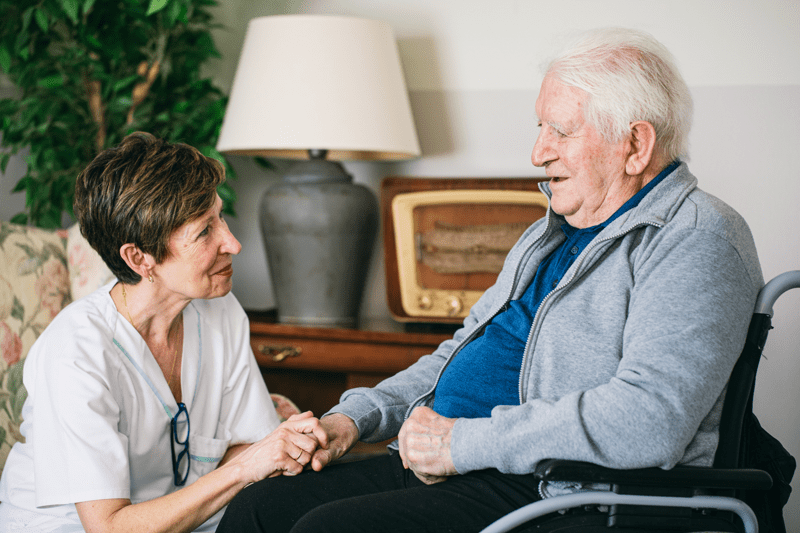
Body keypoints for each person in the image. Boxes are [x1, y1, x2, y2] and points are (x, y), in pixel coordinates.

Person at [217, 27, 764, 533]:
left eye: (561, 131)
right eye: (539, 127)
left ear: (635, 145)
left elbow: (648, 418)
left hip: (559, 489)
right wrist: (355, 420)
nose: (537, 153)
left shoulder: (698, 238)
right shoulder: (550, 232)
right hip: (459, 465)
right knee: (261, 508)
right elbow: (456, 355)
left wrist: (462, 444)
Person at [0, 132, 327, 532]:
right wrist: (247, 466)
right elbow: (109, 528)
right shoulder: (76, 352)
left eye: (220, 217)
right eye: (205, 231)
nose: (233, 243)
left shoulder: (220, 310)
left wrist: (285, 448)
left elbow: (246, 444)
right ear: (139, 258)